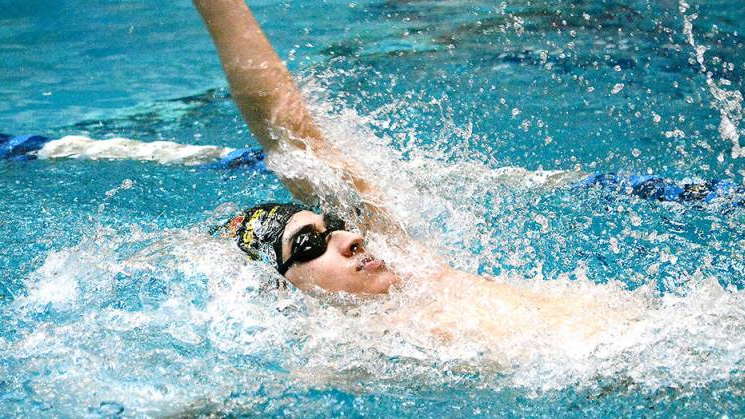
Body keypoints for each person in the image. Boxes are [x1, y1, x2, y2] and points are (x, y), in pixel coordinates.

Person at [194, 0, 644, 352]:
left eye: (331, 227)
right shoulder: (346, 354)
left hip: (650, 333)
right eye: (311, 244)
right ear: (283, 289)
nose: (349, 236)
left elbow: (291, 139)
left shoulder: (416, 270)